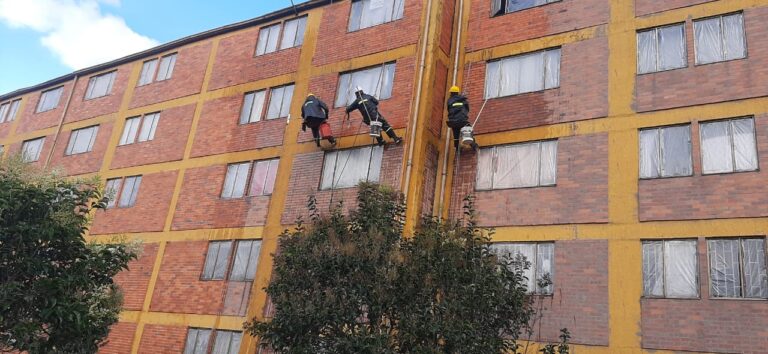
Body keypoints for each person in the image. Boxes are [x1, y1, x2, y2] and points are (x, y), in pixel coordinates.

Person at [446, 85, 478, 151]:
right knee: (468, 128)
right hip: (462, 120)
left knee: (456, 134)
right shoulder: (463, 100)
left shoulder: (449, 101)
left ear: (451, 93)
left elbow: (449, 109)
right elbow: (467, 109)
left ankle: (457, 148)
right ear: (457, 92)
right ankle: (473, 145)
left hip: (452, 121)